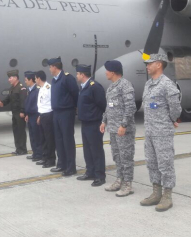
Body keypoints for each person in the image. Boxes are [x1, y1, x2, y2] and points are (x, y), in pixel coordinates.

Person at [140, 53, 182, 212]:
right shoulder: (148, 84)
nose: (147, 66)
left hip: (163, 131)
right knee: (152, 162)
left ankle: (167, 196)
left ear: (159, 64)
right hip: (150, 131)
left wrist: (171, 120)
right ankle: (156, 193)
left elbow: (176, 108)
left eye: (150, 63)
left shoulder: (167, 84)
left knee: (165, 163)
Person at [100, 60, 137, 196]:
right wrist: (104, 121)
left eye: (107, 70)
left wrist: (124, 125)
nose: (105, 72)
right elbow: (108, 107)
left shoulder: (125, 85)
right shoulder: (111, 87)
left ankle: (128, 184)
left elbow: (130, 107)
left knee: (126, 156)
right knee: (117, 156)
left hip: (123, 130)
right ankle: (119, 180)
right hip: (113, 129)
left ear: (113, 72)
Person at [76, 65, 107, 187]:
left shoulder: (94, 87)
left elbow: (102, 104)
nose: (77, 76)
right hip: (85, 122)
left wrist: (101, 120)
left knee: (96, 150)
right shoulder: (84, 87)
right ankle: (90, 172)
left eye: (78, 74)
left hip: (94, 123)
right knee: (87, 149)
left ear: (83, 75)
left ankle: (100, 176)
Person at [48, 57, 79, 176]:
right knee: (59, 140)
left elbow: (75, 93)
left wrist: (74, 107)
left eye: (50, 67)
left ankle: (71, 167)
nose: (50, 69)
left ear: (55, 67)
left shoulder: (67, 78)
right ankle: (61, 164)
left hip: (66, 112)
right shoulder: (55, 80)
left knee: (67, 139)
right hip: (56, 113)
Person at [0, 70, 28, 155]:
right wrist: (2, 103)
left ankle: (23, 149)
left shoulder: (21, 88)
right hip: (14, 113)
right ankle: (18, 148)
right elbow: (8, 99)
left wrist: (23, 111)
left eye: (10, 78)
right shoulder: (12, 88)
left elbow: (23, 101)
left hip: (19, 113)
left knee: (21, 131)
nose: (9, 80)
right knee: (16, 131)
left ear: (15, 78)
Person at [35, 70, 56, 168]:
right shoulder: (41, 88)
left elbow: (52, 103)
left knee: (49, 139)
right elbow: (42, 104)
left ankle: (51, 159)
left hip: (48, 115)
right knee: (43, 138)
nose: (35, 80)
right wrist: (39, 115)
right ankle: (45, 157)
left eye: (35, 78)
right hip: (42, 115)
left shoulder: (48, 88)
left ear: (39, 78)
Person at [23, 71, 43, 162]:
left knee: (37, 135)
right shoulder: (30, 89)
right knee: (32, 135)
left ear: (31, 80)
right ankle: (35, 153)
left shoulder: (37, 89)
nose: (25, 82)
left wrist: (39, 115)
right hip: (30, 115)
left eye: (26, 80)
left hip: (35, 115)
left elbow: (39, 104)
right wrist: (27, 114)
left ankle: (39, 154)